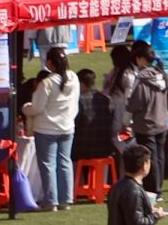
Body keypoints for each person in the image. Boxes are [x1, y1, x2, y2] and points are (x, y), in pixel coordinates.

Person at [20, 50, 78, 214]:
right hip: (67, 126)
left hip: (46, 128)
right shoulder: (73, 78)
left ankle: (51, 201)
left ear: (51, 63)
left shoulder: (47, 83)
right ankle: (65, 199)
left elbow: (37, 108)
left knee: (48, 165)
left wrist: (25, 108)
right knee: (64, 162)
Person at [119, 45, 168, 196]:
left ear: (141, 59)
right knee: (159, 157)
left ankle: (153, 190)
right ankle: (158, 188)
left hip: (146, 124)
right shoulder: (161, 75)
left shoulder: (142, 79)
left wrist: (125, 123)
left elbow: (134, 104)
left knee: (150, 158)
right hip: (162, 121)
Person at [71, 67, 112, 169]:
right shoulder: (106, 99)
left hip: (82, 150)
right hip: (104, 148)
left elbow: (74, 125)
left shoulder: (79, 101)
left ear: (81, 84)